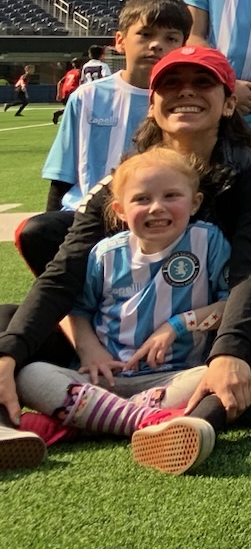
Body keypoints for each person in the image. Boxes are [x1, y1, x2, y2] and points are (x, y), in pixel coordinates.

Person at [0, 44, 251, 476]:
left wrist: (228, 353)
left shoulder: (249, 173)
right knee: (6, 324)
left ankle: (196, 422)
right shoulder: (127, 179)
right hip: (115, 345)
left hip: (196, 346)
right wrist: (12, 353)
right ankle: (18, 427)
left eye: (202, 83)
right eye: (171, 84)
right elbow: (65, 271)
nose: (185, 93)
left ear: (229, 102)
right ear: (153, 105)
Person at [8, 147, 231, 455]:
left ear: (195, 203)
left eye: (171, 196)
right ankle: (147, 422)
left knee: (213, 377)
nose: (156, 208)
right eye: (141, 199)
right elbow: (78, 309)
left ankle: (76, 424)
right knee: (31, 374)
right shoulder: (105, 254)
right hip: (103, 377)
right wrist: (90, 352)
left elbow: (229, 305)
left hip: (172, 377)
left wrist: (178, 325)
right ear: (120, 210)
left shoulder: (209, 242)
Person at [27, 0, 190, 276]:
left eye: (171, 39)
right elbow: (62, 175)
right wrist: (53, 219)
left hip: (153, 218)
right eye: (145, 34)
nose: (156, 45)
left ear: (184, 45)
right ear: (119, 42)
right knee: (35, 231)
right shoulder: (87, 97)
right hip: (86, 217)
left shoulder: (184, 101)